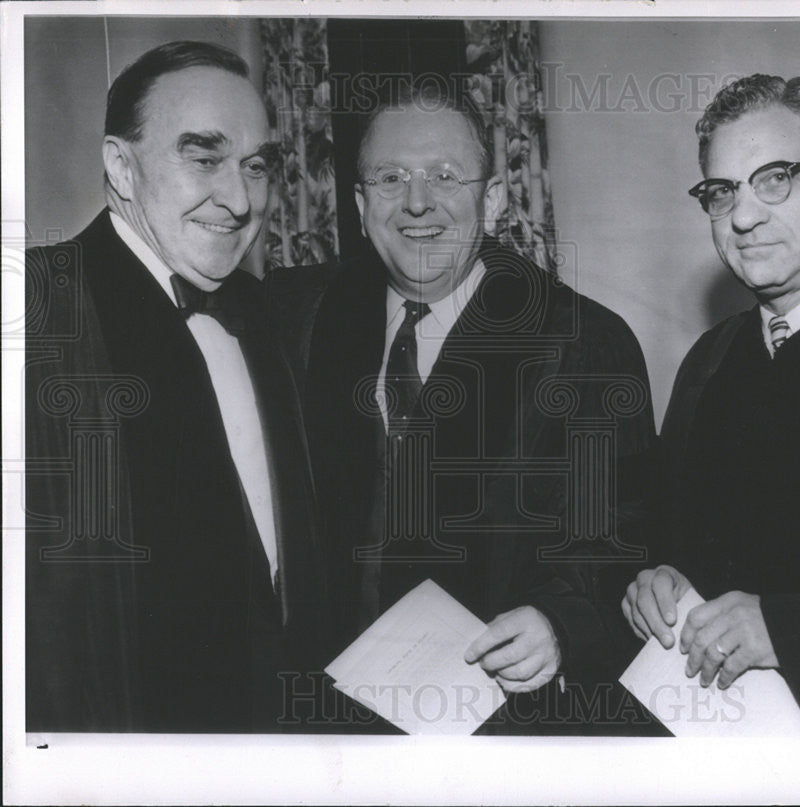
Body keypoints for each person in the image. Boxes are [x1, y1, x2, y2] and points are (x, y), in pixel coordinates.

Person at [269, 82, 659, 733]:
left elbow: (620, 532)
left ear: (495, 197)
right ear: (361, 205)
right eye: (390, 178)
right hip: (332, 724)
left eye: (445, 176)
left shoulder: (582, 341)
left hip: (506, 724)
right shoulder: (301, 324)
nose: (417, 201)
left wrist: (560, 622)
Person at [25, 41, 332, 732]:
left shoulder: (265, 317)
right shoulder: (37, 312)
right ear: (120, 166)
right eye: (203, 157)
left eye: (257, 166)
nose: (239, 198)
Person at [622, 74, 800, 737]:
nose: (744, 215)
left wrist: (789, 628)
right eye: (723, 191)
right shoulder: (710, 359)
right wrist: (656, 579)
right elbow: (670, 539)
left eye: (776, 178)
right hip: (708, 735)